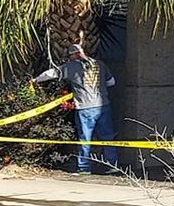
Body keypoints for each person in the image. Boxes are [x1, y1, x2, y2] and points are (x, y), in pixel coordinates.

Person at [33, 43, 118, 176]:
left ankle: (84, 168)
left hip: (85, 108)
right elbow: (111, 82)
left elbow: (51, 73)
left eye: (70, 56)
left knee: (85, 138)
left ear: (74, 55)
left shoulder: (71, 66)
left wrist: (35, 80)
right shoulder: (99, 64)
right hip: (103, 106)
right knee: (107, 136)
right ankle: (112, 165)